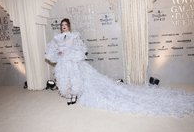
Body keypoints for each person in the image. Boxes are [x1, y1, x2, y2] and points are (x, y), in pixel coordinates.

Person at [45, 18, 194, 118]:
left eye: (65, 25)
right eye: (62, 26)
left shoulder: (74, 36)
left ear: (69, 26)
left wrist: (68, 51)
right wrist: (59, 52)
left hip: (74, 62)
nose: (64, 27)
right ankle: (70, 95)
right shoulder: (57, 38)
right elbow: (54, 50)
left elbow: (79, 49)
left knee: (76, 78)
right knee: (66, 79)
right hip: (64, 62)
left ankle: (74, 95)